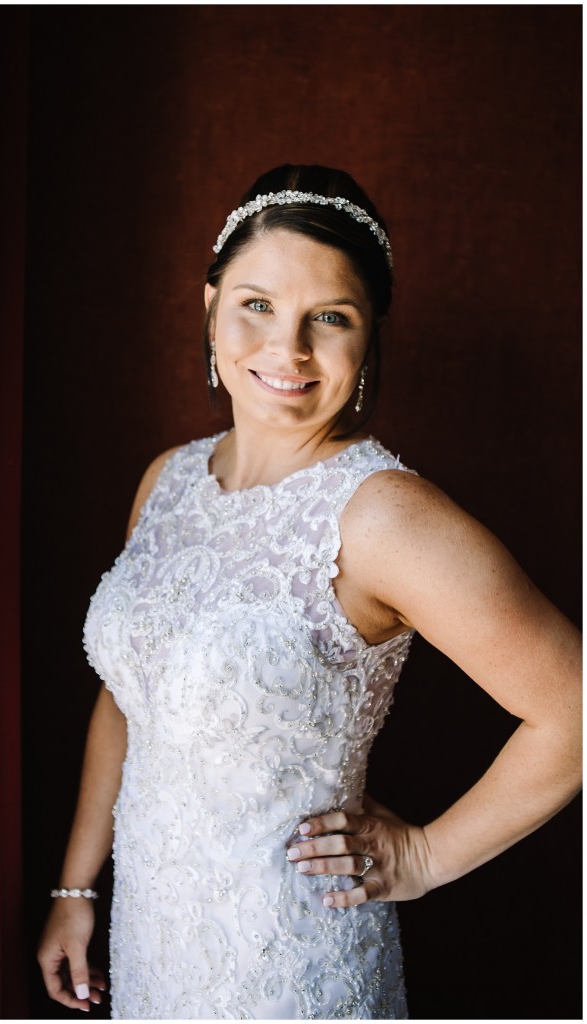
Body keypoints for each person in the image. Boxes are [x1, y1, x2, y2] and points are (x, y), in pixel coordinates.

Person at [37, 164, 581, 1019]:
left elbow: (576, 705)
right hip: (155, 948)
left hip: (289, 968)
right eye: (257, 304)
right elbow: (129, 698)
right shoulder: (168, 481)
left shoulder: (381, 518)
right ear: (210, 302)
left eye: (329, 319)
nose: (287, 350)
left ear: (368, 343)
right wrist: (77, 890)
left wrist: (429, 857)